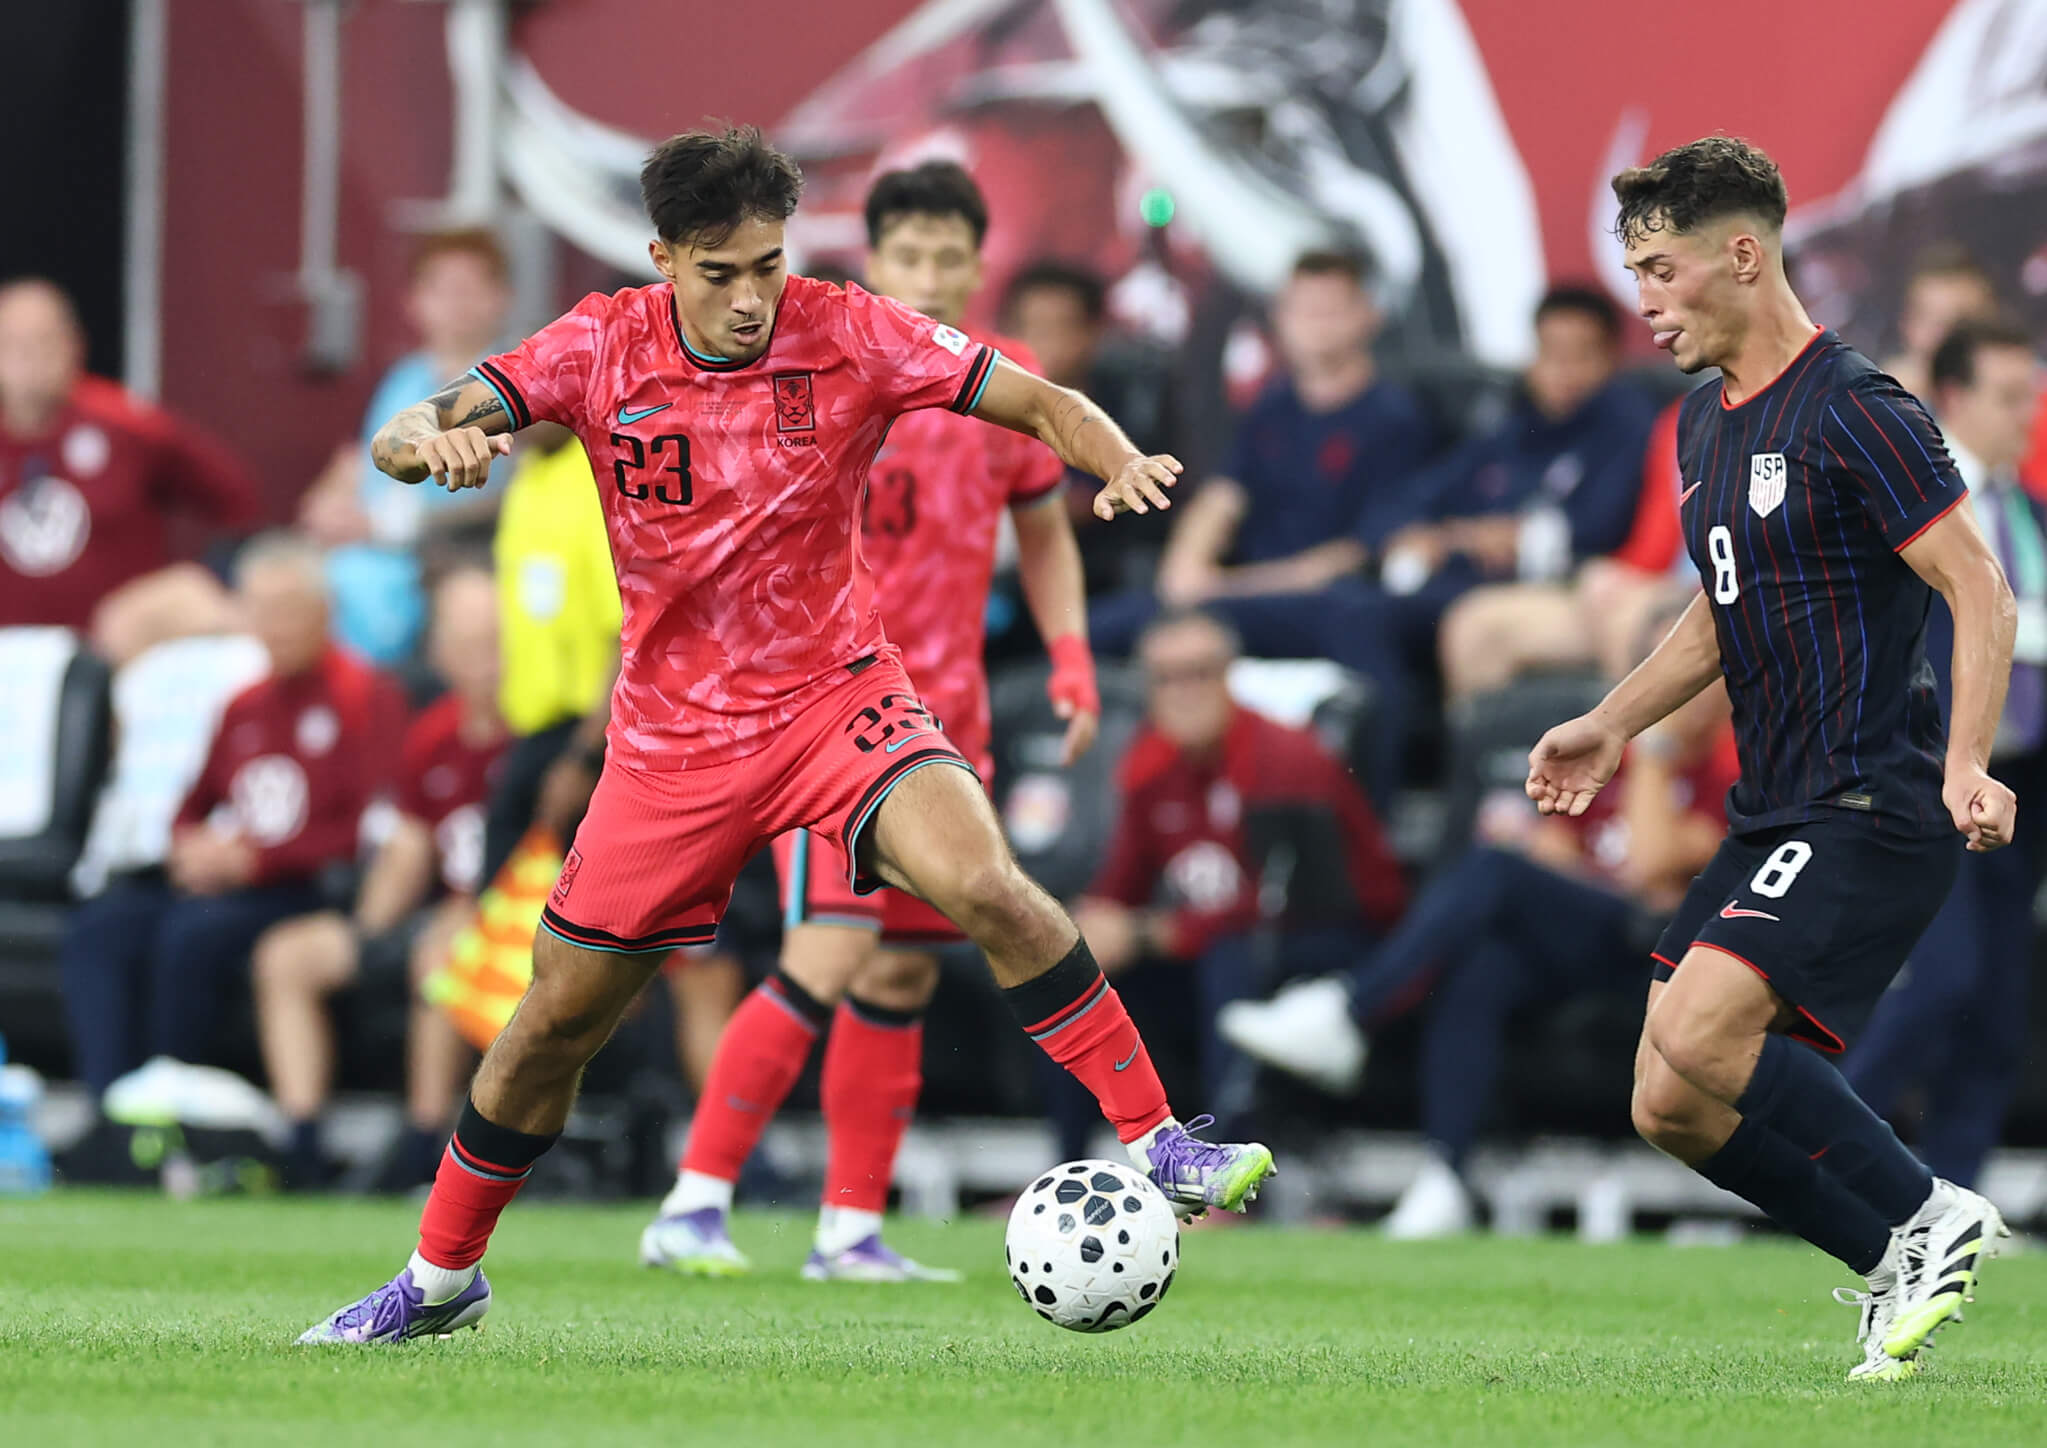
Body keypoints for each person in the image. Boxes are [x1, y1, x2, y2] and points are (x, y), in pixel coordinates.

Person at [298, 126, 1274, 1347]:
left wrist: (1115, 456)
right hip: (671, 745)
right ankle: (439, 1277)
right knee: (554, 1021)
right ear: (663, 257)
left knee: (986, 881)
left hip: (836, 699)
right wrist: (426, 444)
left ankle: (1161, 1141)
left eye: (767, 264)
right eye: (720, 273)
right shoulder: (597, 344)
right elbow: (414, 425)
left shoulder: (850, 329)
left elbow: (1038, 400)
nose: (752, 297)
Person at [1523, 137, 2015, 1382]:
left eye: (1661, 269)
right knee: (1666, 1099)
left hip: (1869, 799)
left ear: (1742, 255)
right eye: (1635, 273)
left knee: (1700, 1032)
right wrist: (1611, 721)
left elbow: (1979, 588)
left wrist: (1964, 761)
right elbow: (1720, 604)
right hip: (1773, 808)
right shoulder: (1702, 421)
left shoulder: (1858, 406)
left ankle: (1927, 1209)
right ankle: (1890, 1258)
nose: (1644, 300)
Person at [640, 161, 1100, 1283]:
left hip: (946, 725)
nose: (929, 276)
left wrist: (1072, 656)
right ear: (874, 261)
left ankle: (847, 1230)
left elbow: (1041, 530)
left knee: (899, 977)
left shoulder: (1001, 386)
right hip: (829, 715)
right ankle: (694, 1201)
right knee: (830, 948)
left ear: (979, 265)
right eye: (909, 256)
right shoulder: (822, 368)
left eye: (949, 257)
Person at [1222, 653, 1737, 1239]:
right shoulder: (1612, 758)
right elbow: (1556, 845)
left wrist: (1655, 750)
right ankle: (1446, 1173)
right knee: (1481, 967)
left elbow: (1649, 866)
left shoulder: (1726, 762)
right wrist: (1579, 863)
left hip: (1661, 952)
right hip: (1585, 930)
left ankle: (1350, 1009)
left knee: (1496, 870)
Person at [58, 533, 405, 1097]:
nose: (273, 627)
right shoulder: (245, 704)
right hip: (238, 880)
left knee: (191, 935)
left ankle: (172, 1102)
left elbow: (373, 828)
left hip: (310, 884)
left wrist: (258, 862)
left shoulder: (363, 693)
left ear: (324, 612)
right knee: (101, 928)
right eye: (260, 611)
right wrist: (191, 848)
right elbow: (193, 805)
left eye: (287, 610)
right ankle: (110, 1106)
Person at [1088, 250, 1439, 798]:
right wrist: (1184, 567)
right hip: (1239, 602)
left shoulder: (1395, 417)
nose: (1314, 324)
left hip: (1325, 603)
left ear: (1368, 316)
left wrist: (1226, 587)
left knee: (1361, 625)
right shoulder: (1271, 408)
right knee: (1094, 629)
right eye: (1302, 309)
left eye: (1330, 309)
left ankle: (1375, 819)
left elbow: (1357, 553)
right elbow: (1222, 498)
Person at [1056, 608, 1405, 1157]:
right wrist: (1088, 927)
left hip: (1337, 938)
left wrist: (1151, 933)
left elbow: (1279, 903)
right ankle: (1067, 1161)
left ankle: (1228, 1163)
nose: (1184, 693)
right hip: (1216, 939)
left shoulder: (1284, 760)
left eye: (1200, 673)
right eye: (1166, 679)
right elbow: (1121, 886)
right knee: (1070, 967)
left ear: (1229, 677)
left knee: (1233, 954)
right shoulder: (1150, 764)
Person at [1845, 317, 2047, 1190]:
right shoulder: (1914, 506)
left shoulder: (2028, 515)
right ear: (1955, 399)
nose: (2027, 414)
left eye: (2030, 395)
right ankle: (1818, 1162)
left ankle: (1954, 1195)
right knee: (1942, 979)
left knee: (1997, 1005)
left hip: (2018, 788)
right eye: (2009, 397)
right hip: (1928, 776)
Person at [252, 566, 508, 1190]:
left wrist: (477, 913)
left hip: (521, 923)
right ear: (440, 653)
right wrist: (367, 931)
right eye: (466, 645)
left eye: (492, 644)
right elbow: (410, 845)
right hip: (440, 913)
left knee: (442, 956)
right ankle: (303, 1148)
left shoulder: (544, 736)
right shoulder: (432, 736)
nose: (481, 662)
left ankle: (425, 1143)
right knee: (287, 957)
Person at [1388, 285, 1658, 700]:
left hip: (1552, 586)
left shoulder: (1628, 425)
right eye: (1551, 353)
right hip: (1457, 574)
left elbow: (1599, 527)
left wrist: (1516, 537)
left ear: (1612, 358)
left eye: (1580, 355)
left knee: (1377, 619)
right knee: (1357, 606)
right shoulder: (1510, 420)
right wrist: (1425, 535)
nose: (1563, 370)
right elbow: (1421, 494)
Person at [0, 278, 260, 661]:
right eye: (14, 343)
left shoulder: (128, 426)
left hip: (116, 660)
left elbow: (234, 496)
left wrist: (199, 588)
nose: (30, 358)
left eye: (44, 341)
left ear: (75, 346)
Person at [299, 230, 514, 664]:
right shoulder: (402, 379)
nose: (456, 303)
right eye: (443, 289)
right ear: (414, 301)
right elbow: (357, 462)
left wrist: (390, 527)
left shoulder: (516, 383)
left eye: (469, 288)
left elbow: (515, 492)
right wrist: (327, 504)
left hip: (454, 562)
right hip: (362, 555)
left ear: (501, 298)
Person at [1000, 259, 1178, 598]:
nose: (1039, 342)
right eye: (1027, 327)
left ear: (1093, 333)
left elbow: (1079, 503)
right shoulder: (977, 409)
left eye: (1056, 328)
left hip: (1094, 582)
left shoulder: (1124, 412)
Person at [1879, 245, 1997, 404]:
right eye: (1931, 322)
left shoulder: (2027, 401)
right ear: (1906, 325)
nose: (1943, 338)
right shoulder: (1877, 401)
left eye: (1960, 324)